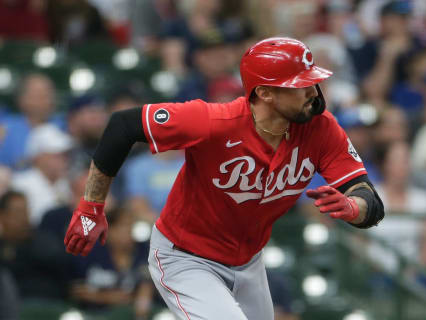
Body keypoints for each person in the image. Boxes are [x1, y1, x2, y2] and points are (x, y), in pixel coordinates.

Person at [64, 37, 385, 320]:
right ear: (265, 93)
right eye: (301, 85)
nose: (314, 92)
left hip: (249, 263)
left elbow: (368, 197)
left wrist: (354, 207)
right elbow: (123, 125)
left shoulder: (321, 128)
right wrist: (92, 206)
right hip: (185, 257)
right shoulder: (214, 122)